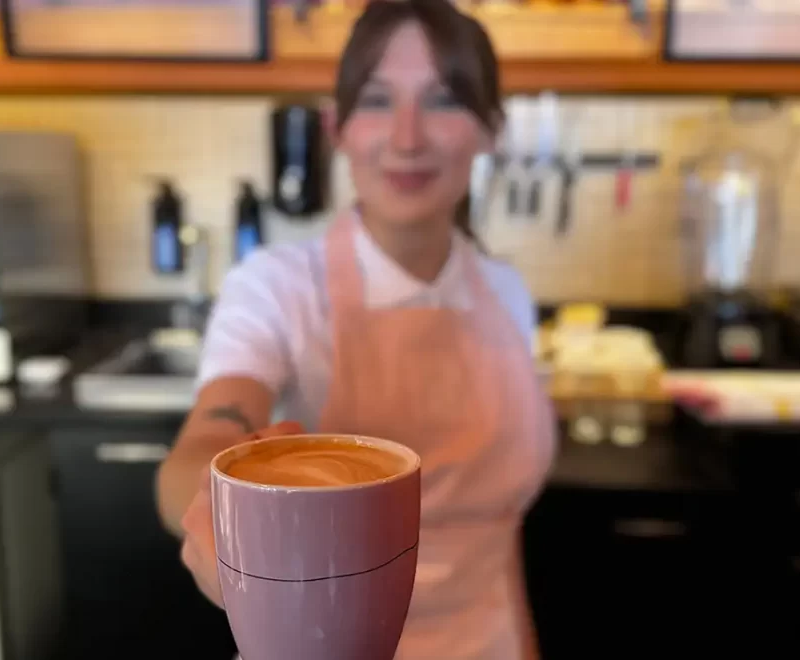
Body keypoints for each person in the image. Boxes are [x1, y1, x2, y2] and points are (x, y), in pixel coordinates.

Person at [156, 0, 556, 658]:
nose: (407, 137)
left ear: (491, 132)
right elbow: (207, 436)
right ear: (338, 128)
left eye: (444, 100)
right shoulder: (278, 287)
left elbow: (500, 542)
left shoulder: (508, 293)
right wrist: (214, 513)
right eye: (377, 100)